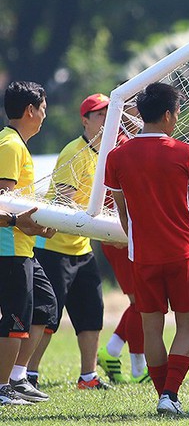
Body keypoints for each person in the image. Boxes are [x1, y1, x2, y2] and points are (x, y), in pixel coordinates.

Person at [105, 82, 189, 415]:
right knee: (187, 325)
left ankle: (164, 396)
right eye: (177, 113)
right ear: (167, 114)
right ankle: (171, 394)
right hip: (182, 252)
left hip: (143, 257)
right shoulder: (185, 152)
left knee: (151, 328)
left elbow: (122, 212)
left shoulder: (117, 156)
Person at [29, 93, 111, 391]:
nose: (105, 119)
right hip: (54, 250)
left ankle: (88, 376)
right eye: (99, 114)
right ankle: (29, 374)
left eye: (108, 113)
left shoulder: (104, 155)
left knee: (92, 313)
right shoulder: (74, 152)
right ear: (85, 120)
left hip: (82, 250)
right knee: (47, 318)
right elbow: (65, 199)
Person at [0, 81, 57, 405]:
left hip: (22, 247)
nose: (45, 116)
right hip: (7, 249)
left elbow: (18, 209)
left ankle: (18, 378)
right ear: (29, 110)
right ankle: (2, 388)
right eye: (44, 109)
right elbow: (2, 203)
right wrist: (16, 223)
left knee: (46, 309)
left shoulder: (18, 145)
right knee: (15, 320)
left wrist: (36, 228)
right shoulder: (9, 145)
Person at [97, 105, 149, 384]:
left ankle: (115, 351)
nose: (135, 112)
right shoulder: (116, 144)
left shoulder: (124, 141)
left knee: (141, 300)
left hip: (126, 231)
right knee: (141, 301)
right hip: (119, 234)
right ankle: (137, 366)